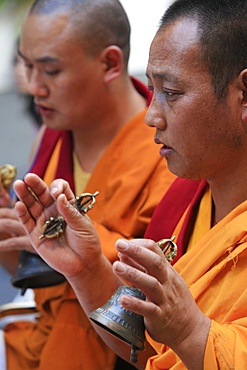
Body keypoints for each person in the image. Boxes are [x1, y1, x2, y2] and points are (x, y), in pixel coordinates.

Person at [13, 0, 247, 369]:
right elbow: (147, 352)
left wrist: (189, 331)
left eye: (171, 93)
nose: (152, 116)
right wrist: (85, 269)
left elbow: (183, 340)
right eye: (153, 90)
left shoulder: (166, 180)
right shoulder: (184, 200)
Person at [0, 0, 177, 369]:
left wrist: (76, 252)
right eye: (27, 65)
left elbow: (169, 299)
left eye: (50, 70)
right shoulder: (48, 138)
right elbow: (40, 276)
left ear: (110, 64)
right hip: (41, 345)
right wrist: (15, 238)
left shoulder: (171, 155)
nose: (34, 87)